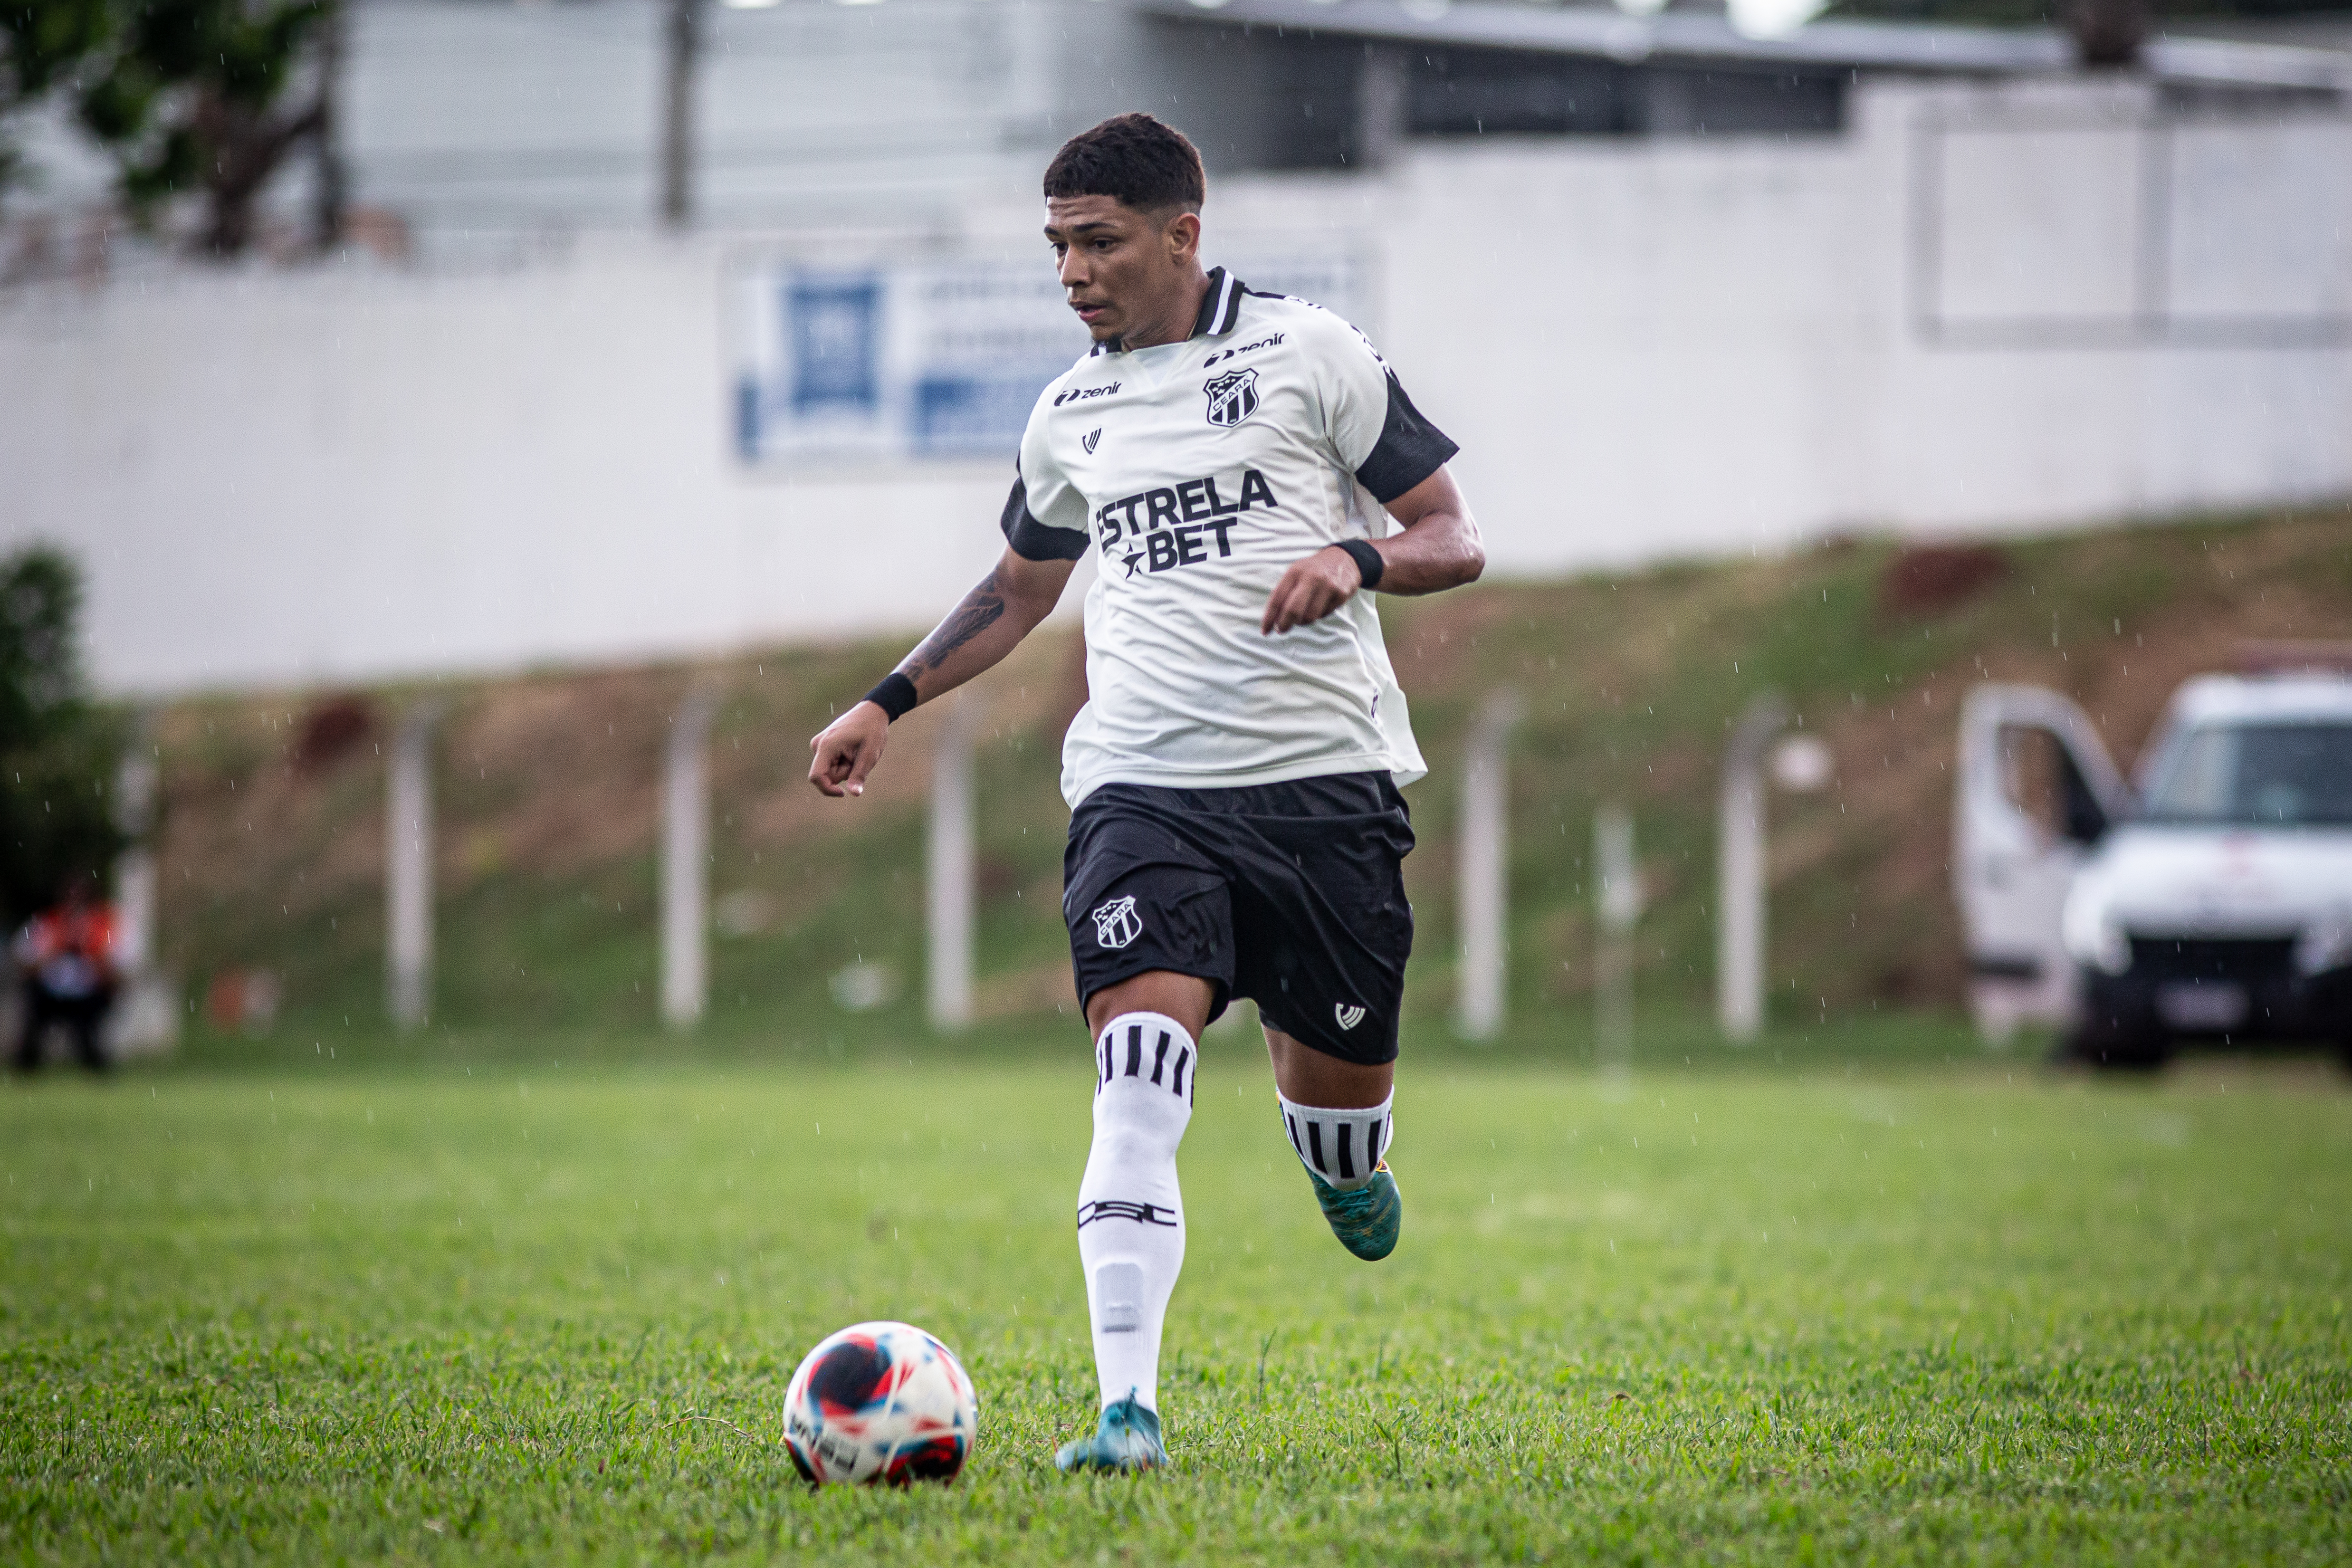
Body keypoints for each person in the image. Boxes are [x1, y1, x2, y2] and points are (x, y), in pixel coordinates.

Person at [807, 113, 1483, 1473]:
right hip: (1140, 790)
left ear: (1182, 233)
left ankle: (1341, 1157)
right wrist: (885, 700)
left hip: (1321, 792)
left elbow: (1451, 536)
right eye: (1057, 244)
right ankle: (1128, 1412)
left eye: (1098, 240)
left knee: (1342, 1110)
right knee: (1134, 1080)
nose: (1072, 271)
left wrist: (1355, 560)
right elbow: (1017, 592)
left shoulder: (1310, 353)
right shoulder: (1070, 412)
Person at [11, 872, 120, 1074]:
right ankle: (25, 1069)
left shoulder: (103, 925)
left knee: (89, 1037)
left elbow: (115, 974)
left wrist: (89, 948)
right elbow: (24, 964)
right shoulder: (48, 923)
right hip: (51, 994)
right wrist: (55, 947)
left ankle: (97, 1070)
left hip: (87, 996)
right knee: (34, 1023)